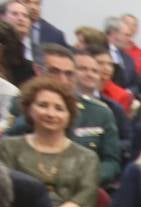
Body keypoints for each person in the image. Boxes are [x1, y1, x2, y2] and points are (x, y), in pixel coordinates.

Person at [9, 45, 121, 186]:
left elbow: (112, 162)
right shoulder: (22, 105)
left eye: (69, 74)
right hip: (29, 188)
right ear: (38, 71)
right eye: (54, 72)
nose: (62, 80)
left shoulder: (99, 112)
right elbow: (9, 148)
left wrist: (86, 177)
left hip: (81, 188)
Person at [0, 76, 97, 207]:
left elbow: (87, 194)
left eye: (59, 108)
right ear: (29, 109)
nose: (51, 114)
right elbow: (5, 189)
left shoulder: (87, 156)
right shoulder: (8, 146)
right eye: (43, 105)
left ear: (70, 115)